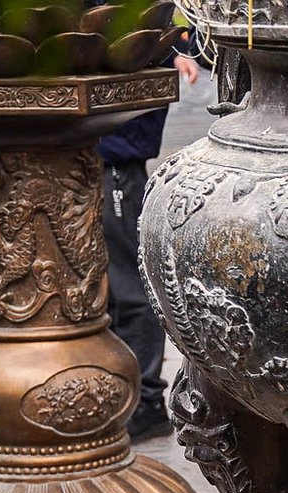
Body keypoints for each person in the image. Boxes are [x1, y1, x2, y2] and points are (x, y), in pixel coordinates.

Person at [100, 48, 203, 443]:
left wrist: (173, 50)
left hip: (117, 159)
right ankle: (125, 391)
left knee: (130, 288)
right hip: (99, 156)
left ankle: (145, 401)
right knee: (109, 286)